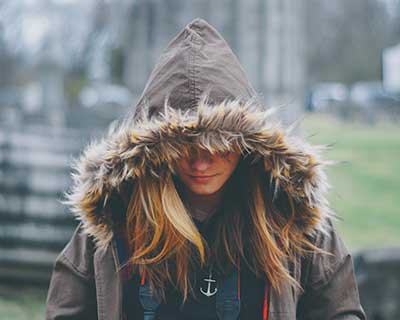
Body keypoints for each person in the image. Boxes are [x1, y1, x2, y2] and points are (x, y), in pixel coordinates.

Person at [45, 18, 366, 320]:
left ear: (248, 142)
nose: (200, 161)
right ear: (156, 148)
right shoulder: (112, 224)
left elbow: (340, 311)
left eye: (218, 145)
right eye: (184, 146)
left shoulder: (292, 220)